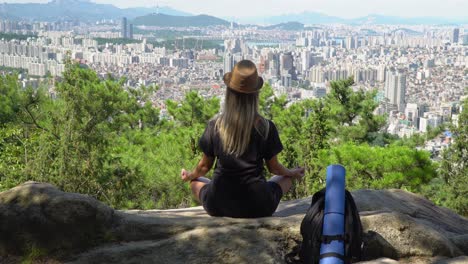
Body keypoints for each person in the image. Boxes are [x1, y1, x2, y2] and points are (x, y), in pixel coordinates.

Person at [181, 60, 304, 218]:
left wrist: (190, 175)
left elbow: (204, 167)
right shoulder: (266, 127)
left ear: (229, 94)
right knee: (285, 179)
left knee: (196, 182)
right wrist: (292, 173)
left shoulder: (215, 126)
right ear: (255, 96)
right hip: (258, 206)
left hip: (219, 204)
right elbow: (275, 169)